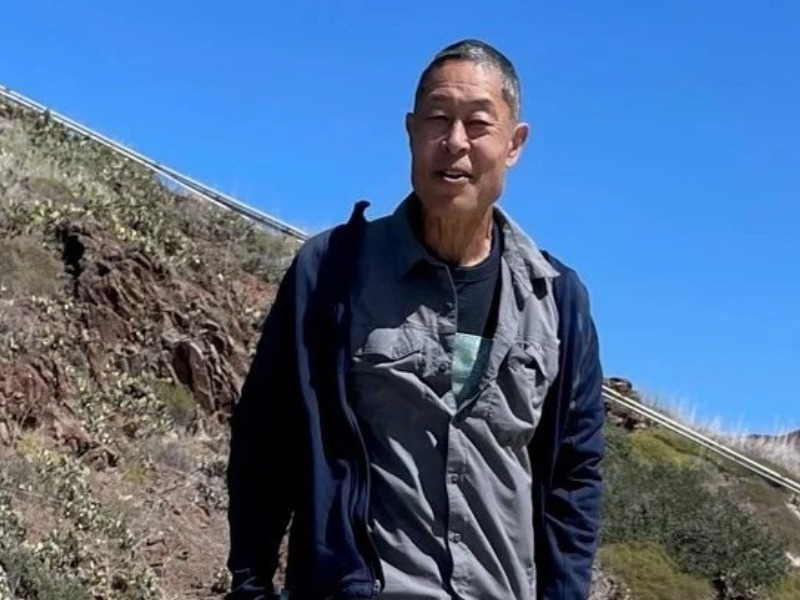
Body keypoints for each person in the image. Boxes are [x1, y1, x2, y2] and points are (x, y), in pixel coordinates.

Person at [225, 39, 605, 600]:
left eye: (478, 124)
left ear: (514, 143)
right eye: (437, 119)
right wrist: (251, 582)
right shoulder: (332, 272)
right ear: (410, 131)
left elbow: (575, 478)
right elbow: (267, 437)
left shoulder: (557, 300)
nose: (454, 142)